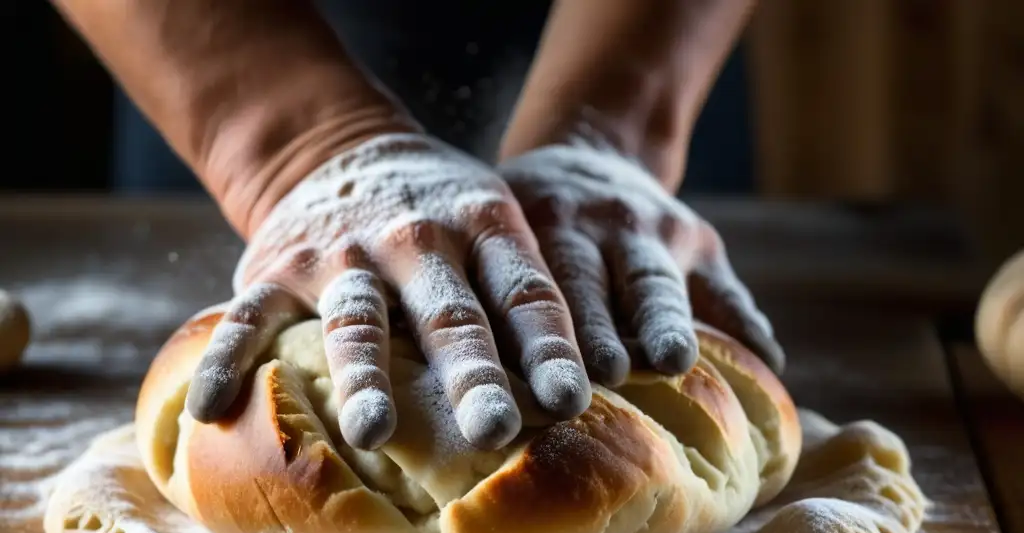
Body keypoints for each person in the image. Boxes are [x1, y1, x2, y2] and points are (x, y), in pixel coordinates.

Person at [55, 0, 782, 453]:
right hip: (221, 40)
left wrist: (609, 139)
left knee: (636, 366)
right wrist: (292, 151)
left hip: (639, 31)